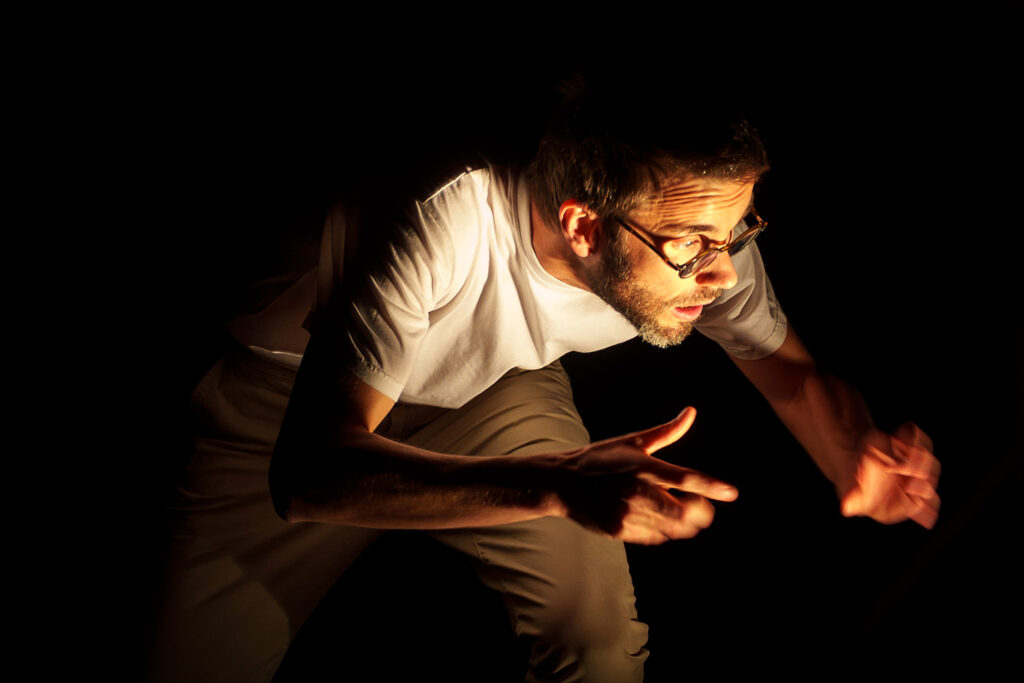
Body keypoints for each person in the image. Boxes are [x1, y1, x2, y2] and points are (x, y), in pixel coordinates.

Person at [149, 74, 941, 682]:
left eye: (735, 232)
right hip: (290, 400)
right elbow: (309, 472)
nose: (723, 270)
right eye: (695, 244)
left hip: (488, 383)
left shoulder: (696, 229)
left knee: (598, 644)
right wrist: (560, 483)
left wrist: (852, 449)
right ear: (582, 224)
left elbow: (792, 373)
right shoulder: (441, 208)